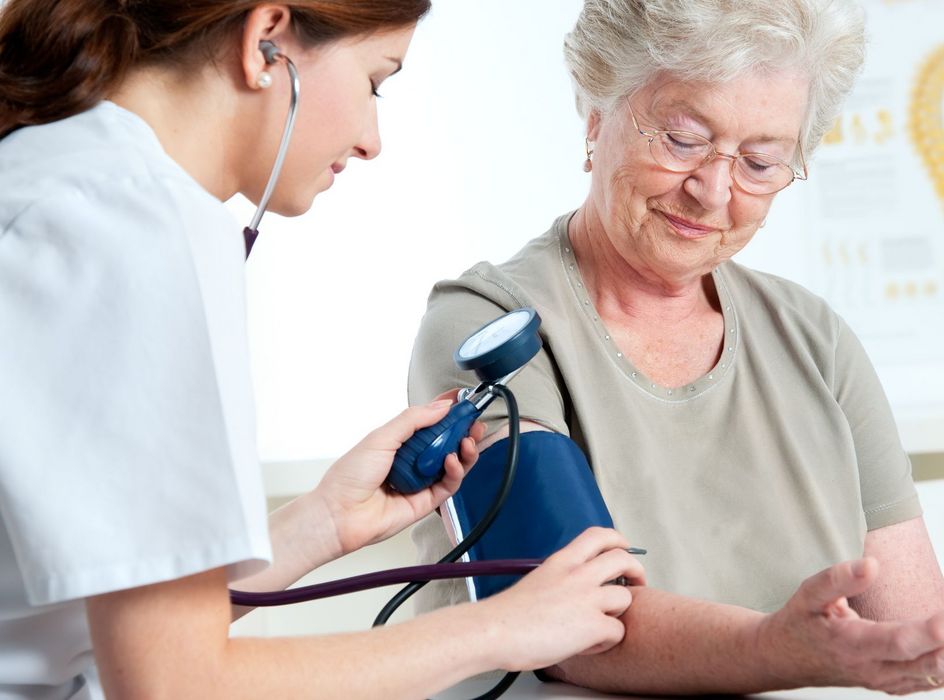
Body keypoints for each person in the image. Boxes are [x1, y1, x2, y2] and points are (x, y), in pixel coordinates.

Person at [0, 2, 644, 698]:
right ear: (266, 42)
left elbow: (78, 624)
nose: (373, 140)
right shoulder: (142, 228)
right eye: (377, 81)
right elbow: (173, 684)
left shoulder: (61, 181)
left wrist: (325, 522)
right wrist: (505, 626)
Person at [406, 0, 944, 695]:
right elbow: (561, 620)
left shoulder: (813, 340)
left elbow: (913, 632)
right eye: (681, 139)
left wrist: (929, 650)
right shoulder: (489, 326)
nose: (712, 191)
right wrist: (775, 648)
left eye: (760, 162)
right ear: (597, 113)